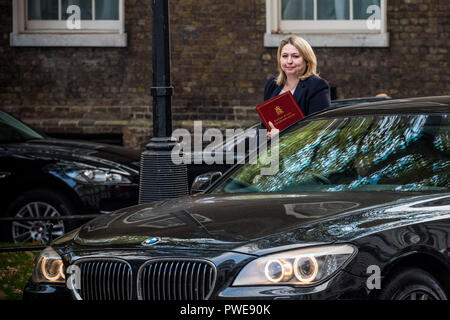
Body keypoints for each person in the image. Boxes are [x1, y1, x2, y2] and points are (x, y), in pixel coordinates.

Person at [264, 36, 331, 139]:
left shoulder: (317, 86)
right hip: (271, 151)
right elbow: (264, 126)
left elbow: (319, 131)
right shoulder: (272, 84)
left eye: (295, 56)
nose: (289, 61)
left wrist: (282, 137)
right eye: (285, 56)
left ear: (307, 59)